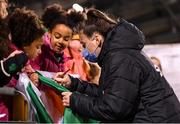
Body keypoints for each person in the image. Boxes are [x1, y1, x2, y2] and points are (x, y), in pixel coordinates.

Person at [53, 8, 180, 122]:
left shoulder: (121, 59)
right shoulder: (120, 54)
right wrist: (73, 83)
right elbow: (109, 94)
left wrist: (75, 100)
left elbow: (113, 108)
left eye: (84, 44)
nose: (82, 49)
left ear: (97, 39)